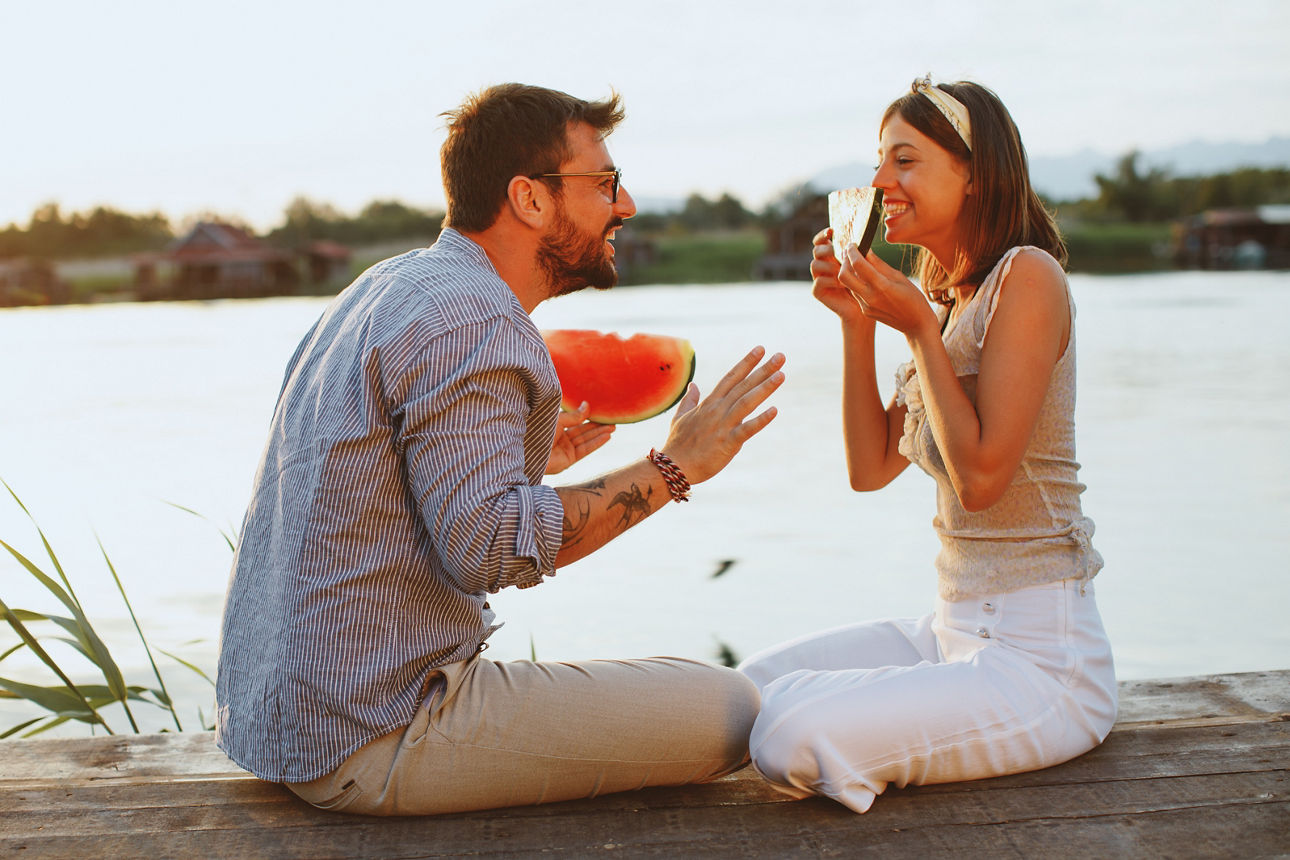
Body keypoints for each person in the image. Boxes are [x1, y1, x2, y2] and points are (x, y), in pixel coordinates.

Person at [214, 83, 785, 816]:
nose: (626, 205)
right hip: (378, 736)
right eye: (605, 183)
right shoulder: (477, 320)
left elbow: (369, 474)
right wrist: (674, 468)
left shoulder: (386, 286)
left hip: (287, 727)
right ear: (532, 200)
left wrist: (527, 461)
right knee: (734, 709)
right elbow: (487, 548)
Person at [737, 76, 1116, 814]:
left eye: (903, 161)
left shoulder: (1025, 279)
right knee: (738, 693)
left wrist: (913, 328)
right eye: (880, 161)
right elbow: (870, 468)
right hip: (948, 632)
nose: (880, 182)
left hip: (1043, 664)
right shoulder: (946, 297)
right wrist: (855, 324)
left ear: (973, 173)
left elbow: (980, 480)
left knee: (786, 732)